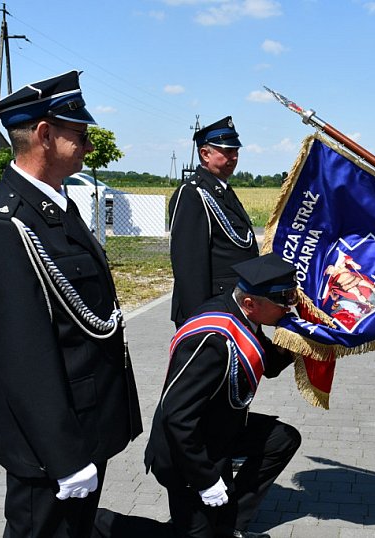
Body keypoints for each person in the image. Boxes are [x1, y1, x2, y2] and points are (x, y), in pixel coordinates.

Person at [0, 71, 142, 537]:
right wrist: (64, 458)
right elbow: (21, 357)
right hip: (51, 451)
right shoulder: (6, 227)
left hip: (86, 427)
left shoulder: (58, 208)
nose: (88, 145)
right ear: (44, 134)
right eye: (79, 134)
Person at [145, 253, 302, 538]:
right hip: (186, 454)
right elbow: (177, 418)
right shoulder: (213, 341)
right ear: (251, 303)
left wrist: (299, 340)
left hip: (219, 429)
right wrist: (205, 479)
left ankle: (231, 526)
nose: (289, 307)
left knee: (282, 440)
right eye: (283, 301)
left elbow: (268, 364)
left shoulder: (243, 315)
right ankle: (102, 524)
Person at [169, 116, 259, 327]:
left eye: (236, 151)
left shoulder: (221, 190)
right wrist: (199, 320)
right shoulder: (193, 193)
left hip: (234, 303)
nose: (234, 157)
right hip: (212, 308)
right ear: (205, 154)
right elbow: (189, 265)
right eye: (227, 151)